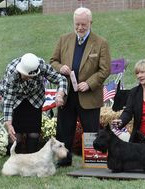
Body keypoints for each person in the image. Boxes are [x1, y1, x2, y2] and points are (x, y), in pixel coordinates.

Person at [50, 7, 111, 167]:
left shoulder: (101, 43)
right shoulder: (64, 39)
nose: (80, 28)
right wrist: (60, 67)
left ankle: (93, 161)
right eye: (77, 24)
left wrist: (89, 83)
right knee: (64, 130)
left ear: (91, 23)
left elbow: (105, 70)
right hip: (67, 94)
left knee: (91, 131)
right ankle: (63, 160)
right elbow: (52, 61)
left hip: (89, 96)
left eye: (83, 24)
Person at [0, 53, 68, 153]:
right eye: (26, 76)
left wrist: (59, 95)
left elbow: (61, 79)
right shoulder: (12, 72)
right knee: (16, 134)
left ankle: (33, 157)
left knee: (34, 133)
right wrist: (9, 124)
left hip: (35, 99)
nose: (29, 79)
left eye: (31, 76)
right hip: (16, 100)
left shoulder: (41, 66)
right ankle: (16, 161)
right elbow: (9, 99)